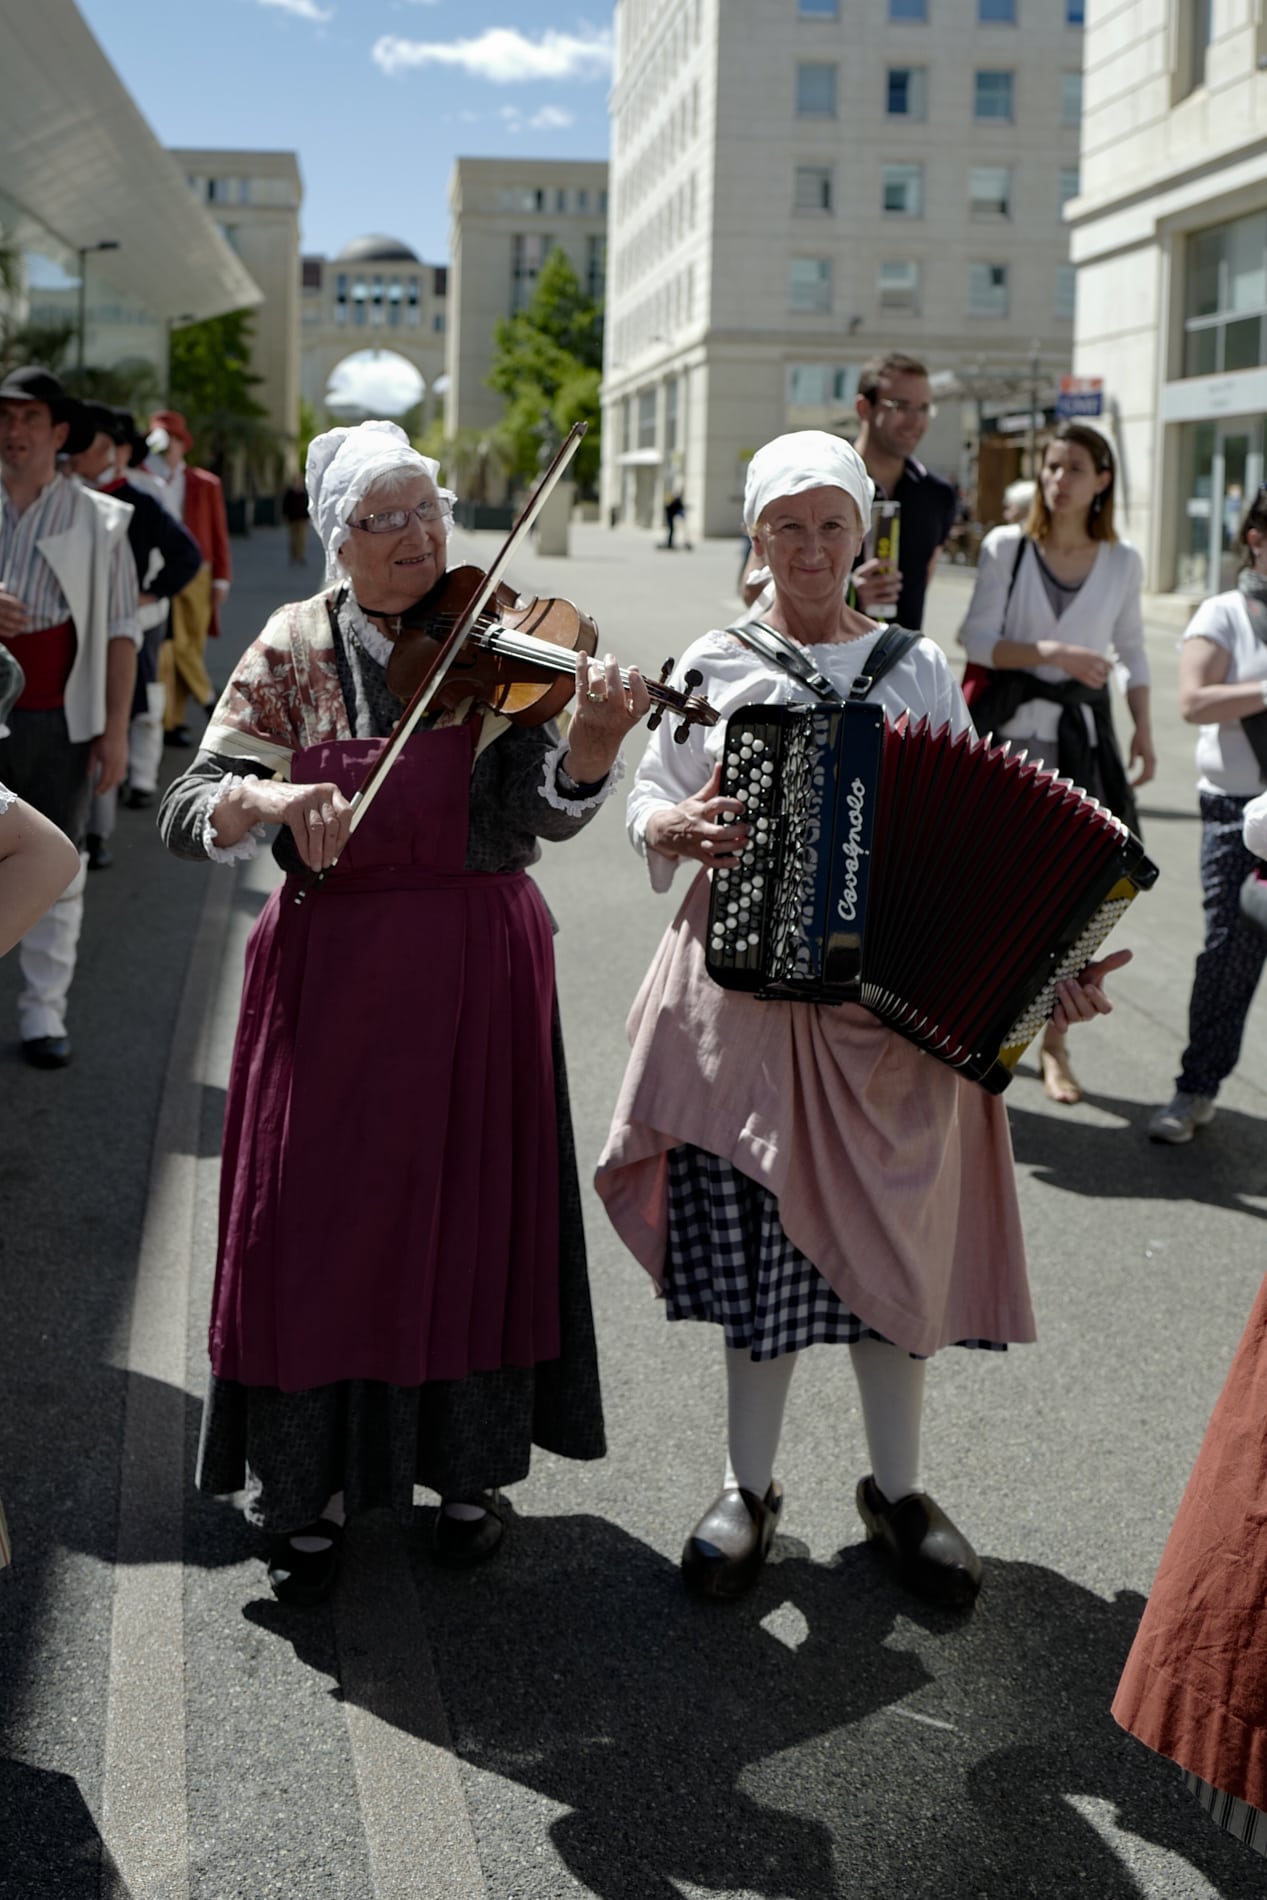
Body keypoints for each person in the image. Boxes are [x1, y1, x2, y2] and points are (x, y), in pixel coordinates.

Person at [595, 430, 1126, 1610]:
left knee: (895, 1253)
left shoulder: (915, 665)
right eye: (787, 525)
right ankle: (748, 1488)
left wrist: (1052, 970)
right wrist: (663, 829)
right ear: (756, 537)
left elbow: (984, 833)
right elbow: (651, 787)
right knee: (760, 1258)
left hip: (894, 1012)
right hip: (749, 1003)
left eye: (832, 525)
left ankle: (897, 1488)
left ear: (862, 538)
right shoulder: (715, 660)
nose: (811, 547)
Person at [158, 418, 650, 1606]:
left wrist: (586, 747)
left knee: (475, 1222)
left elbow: (547, 812)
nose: (421, 539)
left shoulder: (507, 636)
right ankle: (305, 1480)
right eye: (387, 521)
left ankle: (464, 1472)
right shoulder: (290, 647)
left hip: (479, 965)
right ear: (339, 539)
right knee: (315, 1227)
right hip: (332, 984)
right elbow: (188, 803)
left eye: (429, 514)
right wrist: (272, 797)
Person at [958, 421, 1154, 1106]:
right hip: (1005, 741)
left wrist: (1145, 730)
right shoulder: (1006, 546)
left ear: (1102, 480)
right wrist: (1059, 654)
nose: (1057, 480)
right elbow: (975, 638)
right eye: (1049, 466)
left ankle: (1053, 1046)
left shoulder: (1122, 561)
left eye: (1073, 468)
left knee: (1069, 905)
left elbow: (1131, 645)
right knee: (986, 897)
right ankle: (974, 1036)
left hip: (1081, 744)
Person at [0, 365, 140, 1068]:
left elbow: (121, 629)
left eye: (29, 418)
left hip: (58, 717)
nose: (13, 430)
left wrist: (115, 729)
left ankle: (42, 1013)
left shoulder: (100, 519)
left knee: (62, 865)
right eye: (5, 416)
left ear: (59, 434)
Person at [1147, 486, 1267, 1143]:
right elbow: (1194, 702)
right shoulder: (1222, 613)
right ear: (1255, 538)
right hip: (1234, 809)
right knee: (1228, 955)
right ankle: (1194, 1089)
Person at [68, 405, 202, 862]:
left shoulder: (140, 500)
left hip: (127, 626)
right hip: (73, 630)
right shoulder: (67, 498)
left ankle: (98, 831)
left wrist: (150, 594)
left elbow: (188, 554)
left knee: (120, 716)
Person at [848, 351, 957, 632]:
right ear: (864, 408)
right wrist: (845, 594)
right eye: (900, 406)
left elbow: (920, 589)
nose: (915, 421)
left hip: (898, 666)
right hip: (818, 666)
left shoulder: (938, 495)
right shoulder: (820, 481)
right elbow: (754, 588)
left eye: (923, 408)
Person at [145, 409, 231, 748]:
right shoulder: (142, 478)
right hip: (158, 569)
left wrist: (221, 578)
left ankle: (173, 721)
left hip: (198, 571)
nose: (166, 449)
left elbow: (218, 532)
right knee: (168, 646)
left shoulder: (204, 483)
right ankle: (211, 699)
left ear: (183, 444)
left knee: (189, 644)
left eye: (172, 441)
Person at [281, 474, 310, 566]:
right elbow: (285, 505)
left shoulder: (304, 493)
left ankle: (301, 556)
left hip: (302, 519)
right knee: (293, 539)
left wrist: (308, 517)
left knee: (302, 539)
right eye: (296, 481)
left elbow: (307, 506)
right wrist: (285, 515)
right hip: (292, 518)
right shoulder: (289, 493)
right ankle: (293, 556)